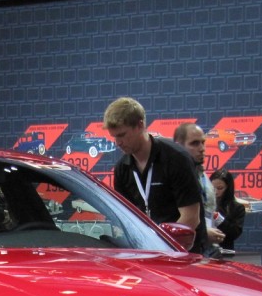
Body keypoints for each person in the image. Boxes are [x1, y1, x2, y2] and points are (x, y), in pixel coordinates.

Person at [103, 98, 206, 254]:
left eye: (122, 135)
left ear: (140, 125)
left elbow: (191, 218)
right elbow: (125, 221)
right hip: (145, 254)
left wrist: (160, 248)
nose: (118, 142)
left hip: (182, 254)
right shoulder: (122, 169)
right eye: (114, 136)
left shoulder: (176, 158)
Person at [173, 122, 223, 250]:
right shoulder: (172, 177)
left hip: (204, 247)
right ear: (179, 146)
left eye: (203, 142)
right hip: (182, 250)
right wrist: (203, 234)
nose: (202, 148)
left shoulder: (201, 174)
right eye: (194, 143)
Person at [209, 168, 246, 253]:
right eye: (212, 188)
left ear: (228, 188)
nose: (215, 192)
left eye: (220, 188)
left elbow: (234, 233)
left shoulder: (237, 208)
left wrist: (218, 218)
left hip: (224, 252)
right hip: (203, 251)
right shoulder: (202, 205)